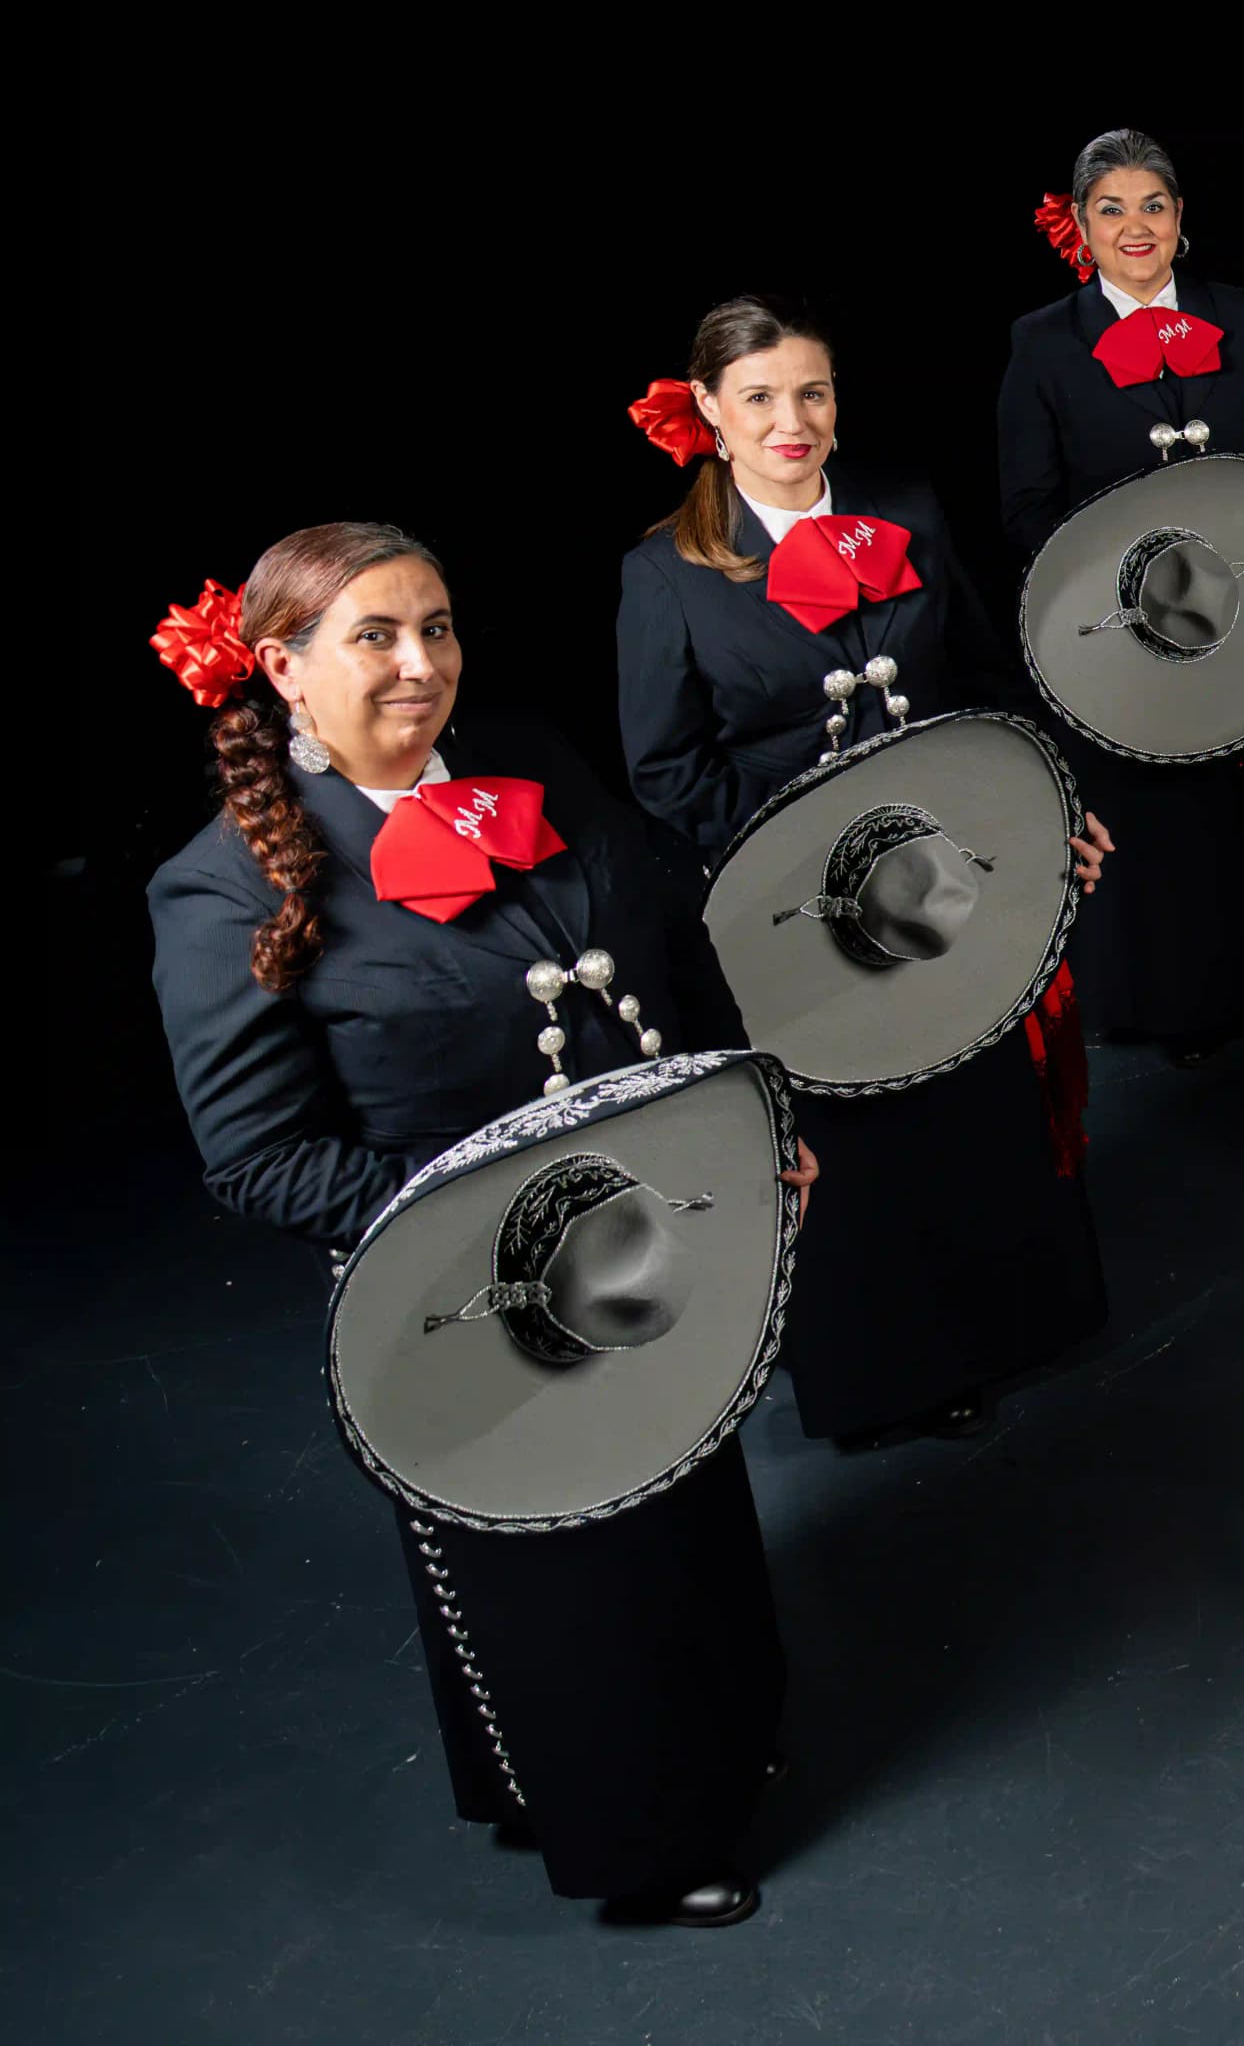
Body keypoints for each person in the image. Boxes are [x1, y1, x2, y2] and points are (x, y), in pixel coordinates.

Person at [145, 523, 813, 1925]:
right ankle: (639, 1843)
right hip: (473, 1290)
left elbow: (676, 951)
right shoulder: (224, 889)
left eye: (436, 627)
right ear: (282, 669)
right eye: (374, 637)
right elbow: (258, 1158)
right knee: (559, 1571)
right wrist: (506, 1224)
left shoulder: (536, 762)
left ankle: (699, 1748)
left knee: (680, 1500)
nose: (418, 664)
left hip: (645, 1233)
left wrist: (751, 1123)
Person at [616, 296, 1114, 1444]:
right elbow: (668, 772)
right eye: (759, 398)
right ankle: (902, 1369)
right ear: (709, 411)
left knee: (978, 1109)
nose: (791, 421)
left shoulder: (909, 510)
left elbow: (988, 682)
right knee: (875, 1144)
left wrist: (1043, 811)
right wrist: (819, 859)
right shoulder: (668, 574)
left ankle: (1026, 1322)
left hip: (954, 879)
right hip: (805, 922)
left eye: (812, 393)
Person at [1002, 127, 1244, 1060]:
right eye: (1111, 208)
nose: (1135, 226)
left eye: (1154, 205)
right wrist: (1121, 601)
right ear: (1080, 228)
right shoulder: (1044, 344)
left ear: (1181, 219)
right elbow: (1026, 508)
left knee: (1242, 811)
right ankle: (1160, 1004)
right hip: (1118, 636)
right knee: (1154, 820)